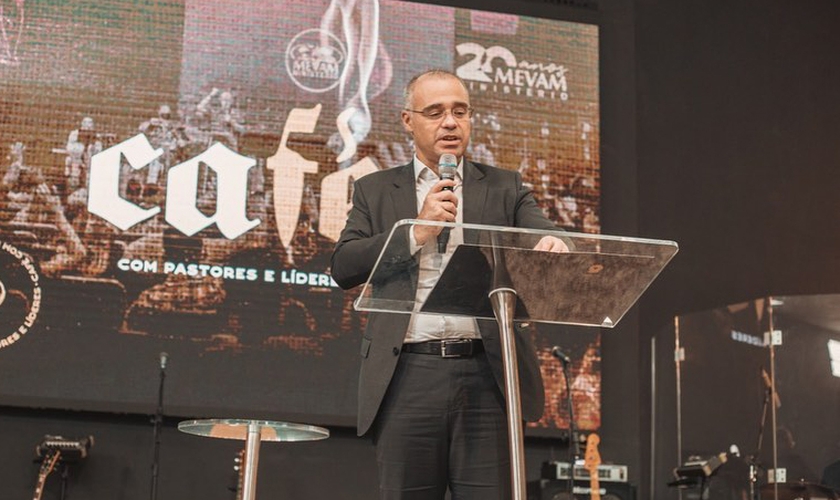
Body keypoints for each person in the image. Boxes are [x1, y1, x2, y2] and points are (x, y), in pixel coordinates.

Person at [330, 69, 569, 500]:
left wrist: (552, 243)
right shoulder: (376, 190)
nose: (450, 123)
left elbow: (545, 234)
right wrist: (413, 232)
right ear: (408, 121)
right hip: (406, 373)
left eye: (460, 112)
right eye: (435, 112)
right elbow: (344, 265)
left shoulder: (504, 186)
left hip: (487, 374)